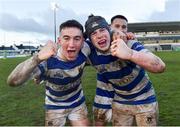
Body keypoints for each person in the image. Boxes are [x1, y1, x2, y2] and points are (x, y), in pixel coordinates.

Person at [84, 15, 166, 126]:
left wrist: (130, 54)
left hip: (144, 97)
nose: (99, 36)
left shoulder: (129, 43)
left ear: (108, 29)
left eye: (102, 30)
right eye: (94, 33)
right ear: (90, 38)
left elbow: (160, 66)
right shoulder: (89, 51)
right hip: (120, 99)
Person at [7, 20, 90, 126]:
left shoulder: (85, 49)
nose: (72, 44)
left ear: (83, 41)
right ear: (59, 41)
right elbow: (13, 81)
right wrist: (37, 58)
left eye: (77, 39)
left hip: (78, 102)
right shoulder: (48, 60)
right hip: (55, 105)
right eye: (66, 38)